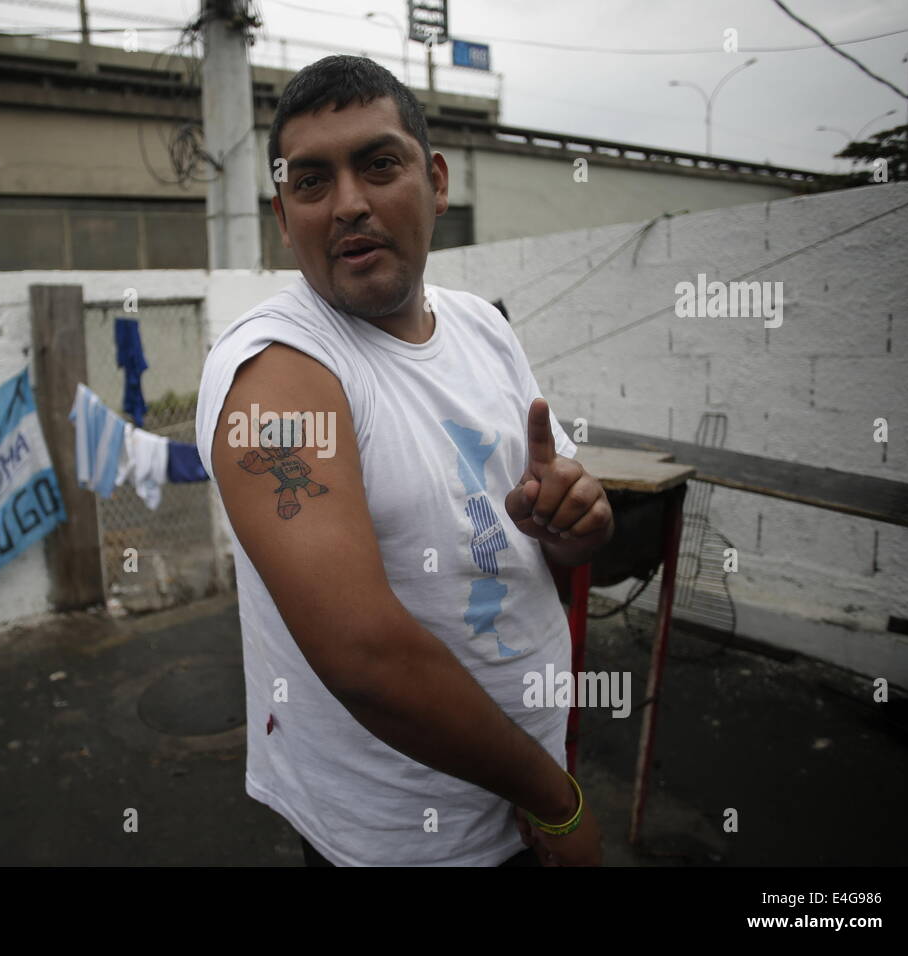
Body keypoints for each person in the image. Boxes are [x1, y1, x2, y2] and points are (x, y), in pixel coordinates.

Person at [194, 55, 614, 867]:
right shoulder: (278, 374)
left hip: (529, 770)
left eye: (380, 165)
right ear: (285, 216)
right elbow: (366, 656)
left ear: (437, 181)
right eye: (312, 183)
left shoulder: (481, 328)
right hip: (404, 838)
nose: (349, 203)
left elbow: (557, 534)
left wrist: (573, 521)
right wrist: (558, 804)